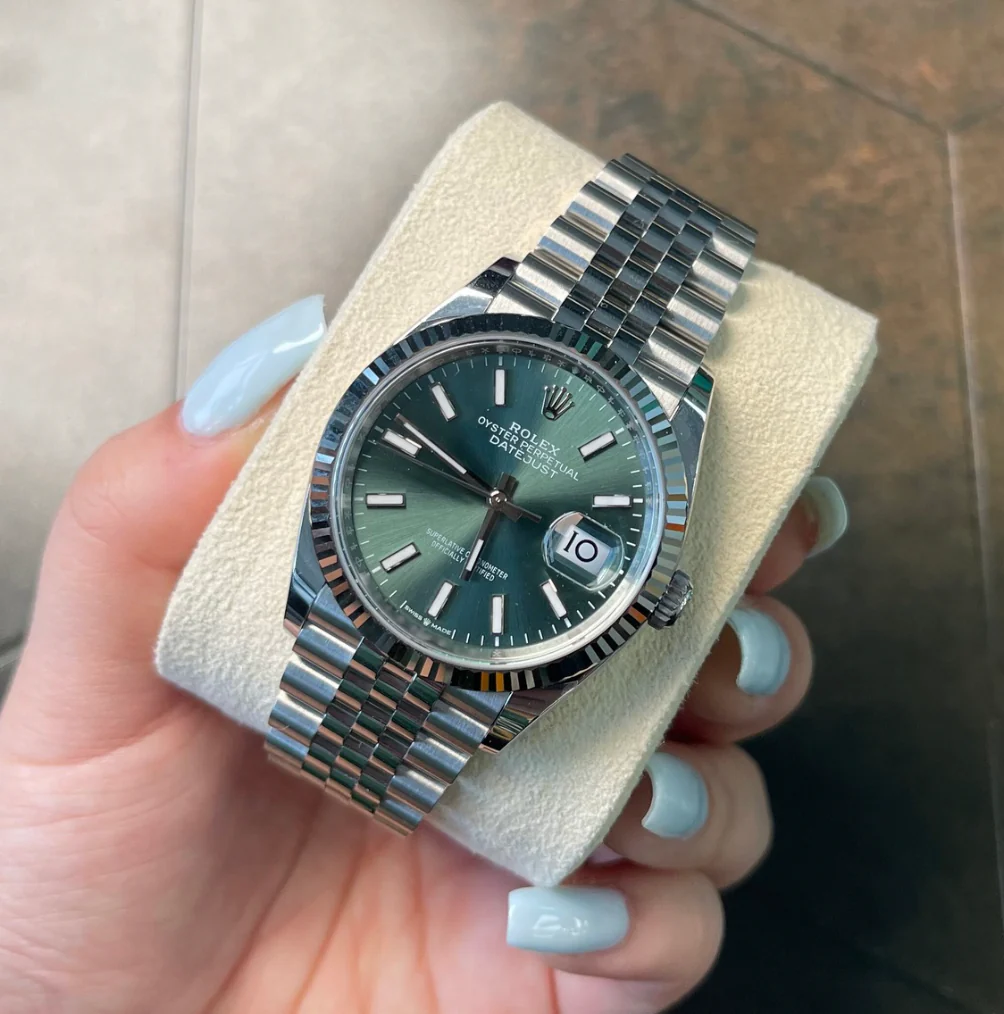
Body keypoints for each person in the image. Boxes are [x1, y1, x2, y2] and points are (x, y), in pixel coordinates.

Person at [0, 297, 845, 1013]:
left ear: (654, 591)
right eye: (492, 489)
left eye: (505, 498)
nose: (501, 499)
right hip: (379, 612)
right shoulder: (490, 321)